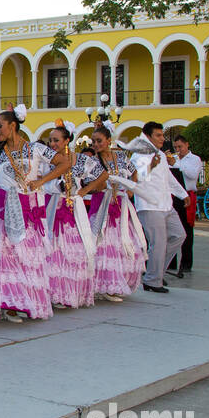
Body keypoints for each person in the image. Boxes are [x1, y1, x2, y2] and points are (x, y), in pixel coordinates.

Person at [0, 105, 67, 322]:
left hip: (27, 209)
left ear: (13, 126)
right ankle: (6, 302)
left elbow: (64, 162)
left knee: (24, 256)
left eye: (0, 126)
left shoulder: (36, 149)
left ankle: (22, 300)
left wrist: (41, 181)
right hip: (3, 210)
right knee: (3, 257)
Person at [81, 124, 144, 302]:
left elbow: (134, 172)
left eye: (99, 141)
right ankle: (104, 285)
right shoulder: (92, 161)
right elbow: (87, 183)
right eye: (93, 141)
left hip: (121, 206)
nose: (95, 144)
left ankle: (117, 282)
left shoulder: (121, 156)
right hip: (102, 204)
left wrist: (130, 190)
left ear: (109, 141)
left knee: (122, 243)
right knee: (103, 244)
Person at [130, 122, 188, 293]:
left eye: (162, 135)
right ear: (147, 137)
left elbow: (168, 178)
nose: (163, 139)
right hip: (149, 205)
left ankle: (155, 272)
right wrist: (150, 166)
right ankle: (153, 280)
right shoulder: (138, 155)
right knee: (158, 243)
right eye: (158, 135)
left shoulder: (161, 155)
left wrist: (183, 194)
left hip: (166, 204)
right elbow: (136, 179)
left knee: (179, 235)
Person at [44, 124, 96, 309]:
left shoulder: (80, 160)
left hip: (74, 208)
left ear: (67, 141)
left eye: (56, 140)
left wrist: (85, 190)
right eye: (50, 140)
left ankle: (70, 292)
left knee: (73, 251)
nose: (52, 144)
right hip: (52, 207)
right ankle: (55, 292)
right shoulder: (46, 159)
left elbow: (102, 174)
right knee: (54, 248)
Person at [166, 134, 201, 277]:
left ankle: (186, 263)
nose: (178, 149)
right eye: (175, 147)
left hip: (187, 195)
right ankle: (171, 262)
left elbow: (192, 175)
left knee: (187, 230)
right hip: (174, 196)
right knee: (171, 230)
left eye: (180, 146)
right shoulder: (173, 160)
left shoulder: (195, 159)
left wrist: (175, 164)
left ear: (187, 145)